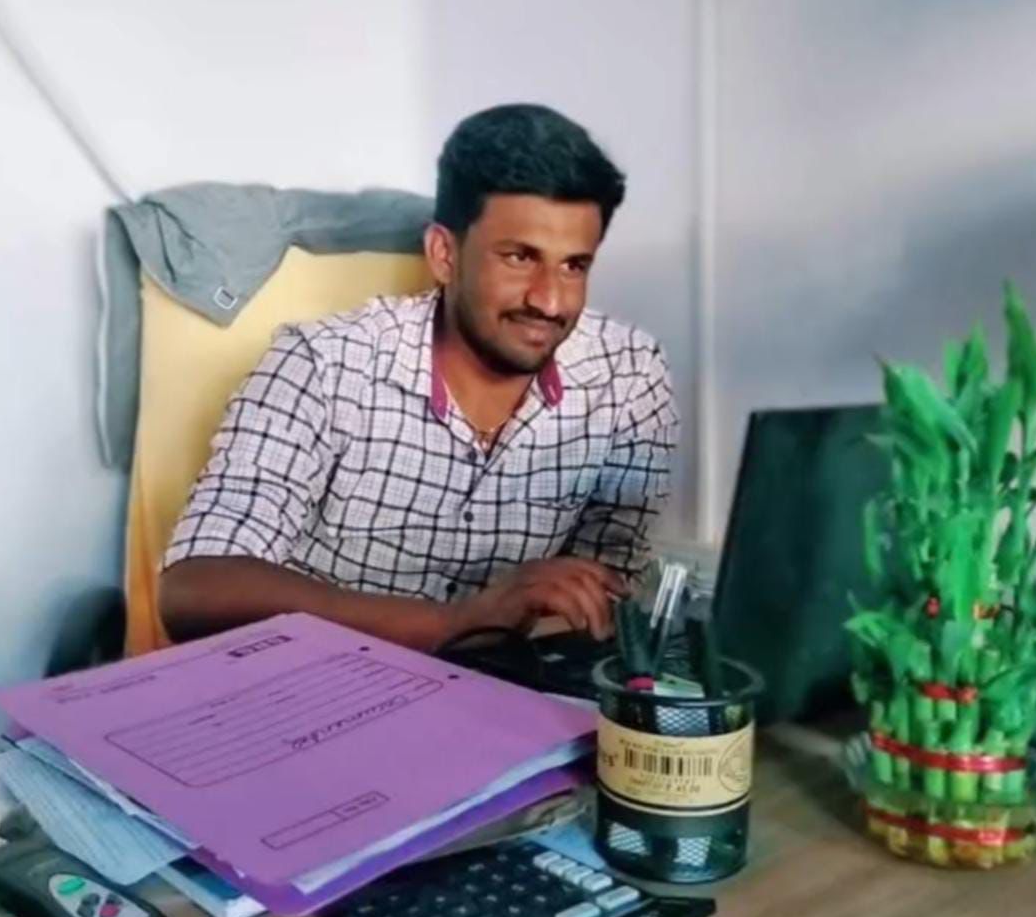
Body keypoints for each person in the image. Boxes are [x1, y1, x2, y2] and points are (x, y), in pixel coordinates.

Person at [159, 104, 678, 651]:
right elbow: (194, 588)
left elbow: (605, 594)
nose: (550, 300)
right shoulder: (326, 363)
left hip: (508, 700)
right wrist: (458, 622)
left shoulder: (630, 377)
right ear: (444, 254)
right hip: (312, 690)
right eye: (520, 257)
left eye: (575, 265)